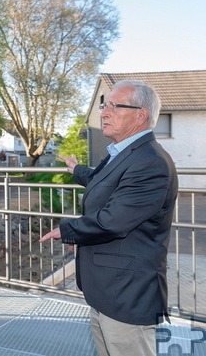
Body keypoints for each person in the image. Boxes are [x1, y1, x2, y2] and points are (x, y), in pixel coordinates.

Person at [39, 80, 178, 356]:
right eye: (105, 105)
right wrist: (78, 170)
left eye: (115, 106)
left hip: (126, 295)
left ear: (141, 115)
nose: (104, 112)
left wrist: (67, 230)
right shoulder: (125, 154)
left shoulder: (150, 162)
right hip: (108, 291)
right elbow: (104, 181)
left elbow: (114, 220)